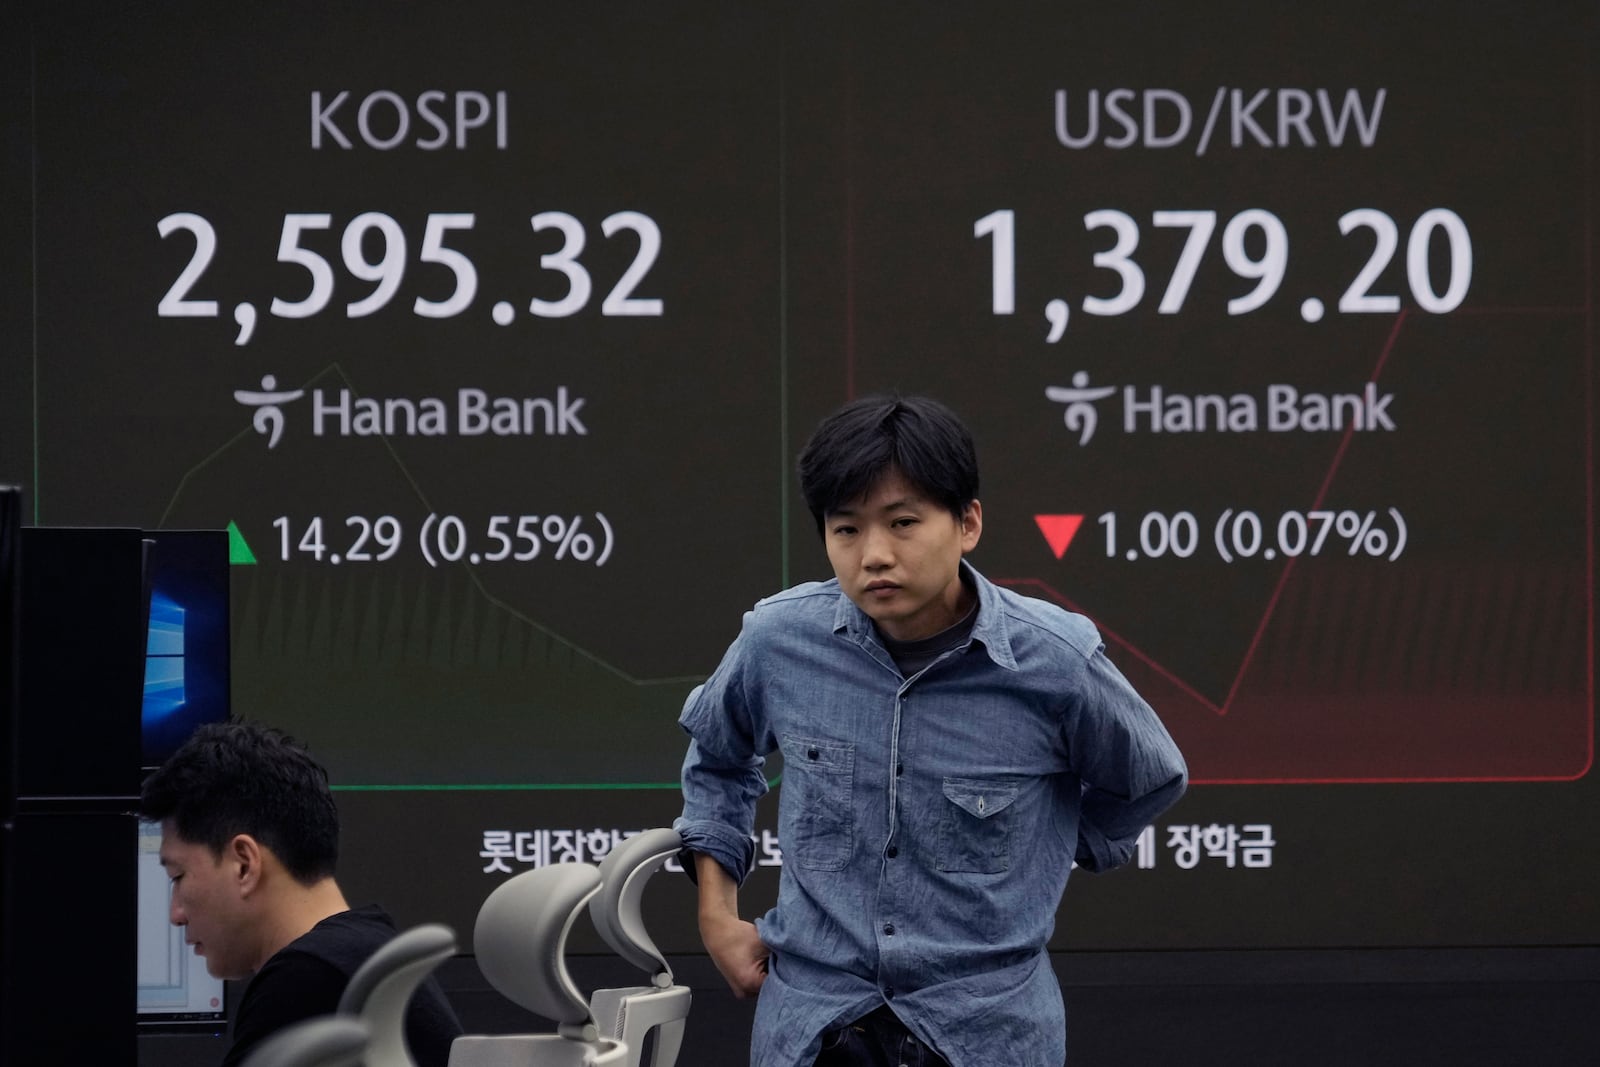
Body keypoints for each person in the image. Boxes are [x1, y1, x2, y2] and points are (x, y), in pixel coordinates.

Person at [674, 395, 1188, 1066]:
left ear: (967, 522)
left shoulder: (1053, 658)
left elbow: (1148, 777)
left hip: (984, 1032)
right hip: (815, 1028)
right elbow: (718, 759)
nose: (874, 554)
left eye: (903, 522)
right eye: (846, 529)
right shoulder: (778, 639)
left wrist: (1052, 840)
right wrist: (716, 915)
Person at [139, 720, 462, 1067]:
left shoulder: (305, 979)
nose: (176, 914)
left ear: (244, 864)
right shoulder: (358, 951)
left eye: (179, 876)